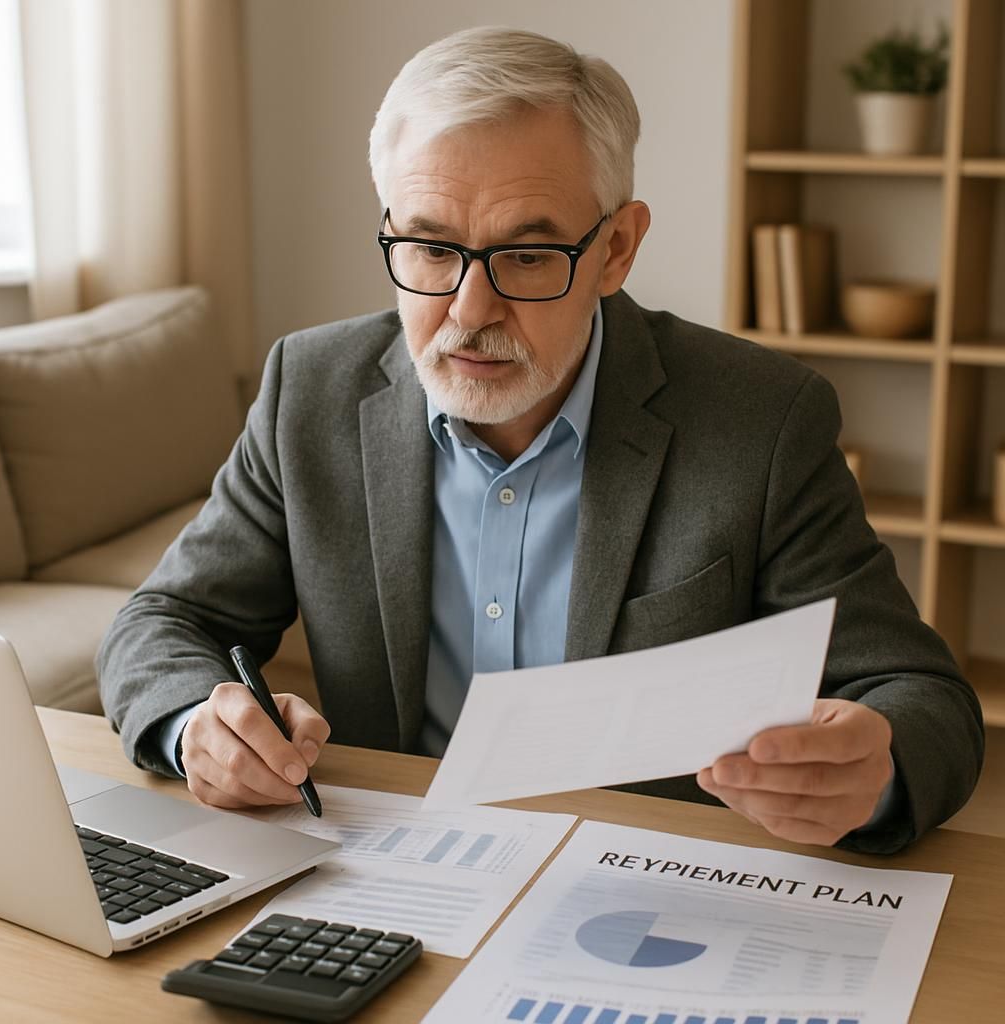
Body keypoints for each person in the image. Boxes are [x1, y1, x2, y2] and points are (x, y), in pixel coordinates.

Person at [97, 26, 983, 855]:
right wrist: (193, 731)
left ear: (617, 250)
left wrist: (875, 774)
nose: (470, 312)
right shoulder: (311, 391)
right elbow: (166, 620)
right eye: (433, 249)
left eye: (527, 257)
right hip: (391, 867)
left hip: (637, 884)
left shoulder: (761, 418)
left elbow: (921, 695)